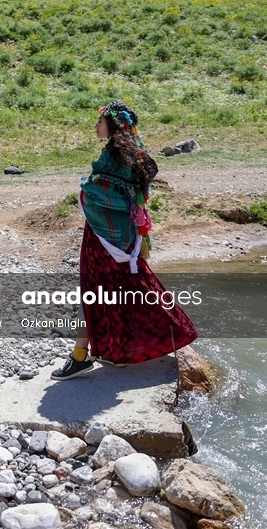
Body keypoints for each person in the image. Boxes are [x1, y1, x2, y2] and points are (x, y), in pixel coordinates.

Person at [51, 100, 198, 380]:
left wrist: (83, 185)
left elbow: (98, 192)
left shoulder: (111, 157)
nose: (96, 126)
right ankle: (129, 346)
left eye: (100, 122)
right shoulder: (135, 151)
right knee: (127, 288)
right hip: (126, 235)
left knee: (93, 294)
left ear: (113, 125)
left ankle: (80, 356)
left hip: (102, 239)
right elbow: (131, 195)